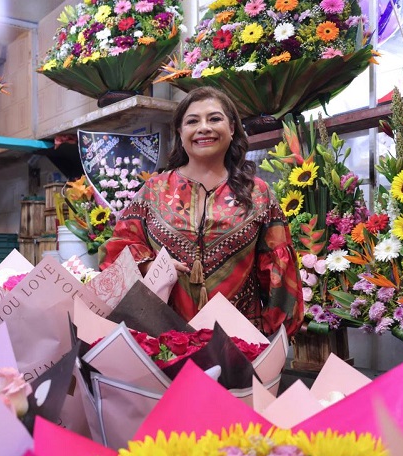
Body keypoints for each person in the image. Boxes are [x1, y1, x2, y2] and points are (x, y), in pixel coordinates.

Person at [100, 87, 304, 337]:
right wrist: (150, 265)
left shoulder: (258, 194)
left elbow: (279, 270)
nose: (204, 127)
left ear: (232, 129)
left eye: (214, 119)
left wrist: (276, 335)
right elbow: (119, 247)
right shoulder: (154, 190)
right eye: (192, 121)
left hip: (238, 338)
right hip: (164, 336)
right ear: (180, 132)